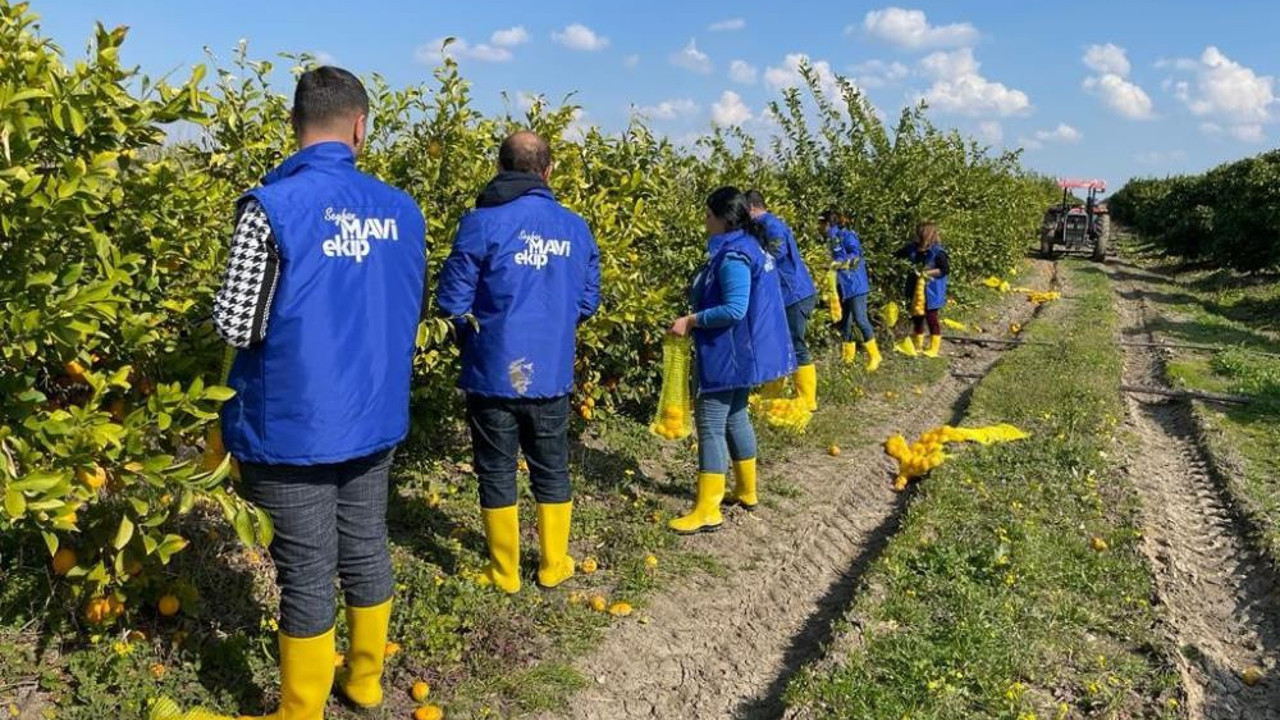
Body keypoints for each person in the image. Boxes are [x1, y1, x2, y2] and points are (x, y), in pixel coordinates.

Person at [159, 67, 429, 720]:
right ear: (360, 126)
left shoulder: (271, 208)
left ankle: (299, 710)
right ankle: (364, 684)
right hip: (373, 415)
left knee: (307, 570)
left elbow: (236, 324)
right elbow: (405, 307)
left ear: (295, 124)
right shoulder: (402, 211)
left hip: (293, 423)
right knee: (366, 547)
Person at [436, 131, 600, 594]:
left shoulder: (480, 223)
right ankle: (553, 564)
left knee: (495, 467)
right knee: (552, 466)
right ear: (547, 171)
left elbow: (452, 303)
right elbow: (588, 301)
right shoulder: (575, 227)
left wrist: (479, 340)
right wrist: (553, 327)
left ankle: (504, 573)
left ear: (501, 167)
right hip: (550, 368)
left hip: (491, 370)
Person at [667, 187, 795, 531]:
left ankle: (708, 509)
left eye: (708, 214)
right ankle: (746, 489)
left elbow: (735, 309)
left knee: (710, 423)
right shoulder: (749, 245)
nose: (705, 220)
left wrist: (691, 320)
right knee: (736, 417)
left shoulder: (734, 255)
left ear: (724, 218)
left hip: (729, 352)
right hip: (744, 352)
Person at [744, 190, 820, 408]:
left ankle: (807, 399)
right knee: (779, 344)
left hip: (794, 294)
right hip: (784, 296)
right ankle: (773, 391)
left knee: (796, 344)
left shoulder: (771, 225)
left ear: (751, 208)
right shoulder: (760, 227)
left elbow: (778, 252)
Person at [820, 210, 881, 372]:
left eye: (820, 223)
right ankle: (848, 357)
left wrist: (836, 263)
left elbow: (856, 255)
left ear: (827, 223)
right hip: (843, 286)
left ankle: (875, 355)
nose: (818, 227)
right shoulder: (830, 240)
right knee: (845, 322)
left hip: (856, 285)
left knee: (860, 319)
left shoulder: (846, 235)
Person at [896, 221, 950, 358]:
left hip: (932, 292)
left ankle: (934, 348)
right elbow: (896, 256)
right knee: (917, 317)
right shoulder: (912, 249)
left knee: (931, 318)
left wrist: (926, 273)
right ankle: (918, 345)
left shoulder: (938, 252)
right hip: (915, 290)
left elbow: (944, 270)